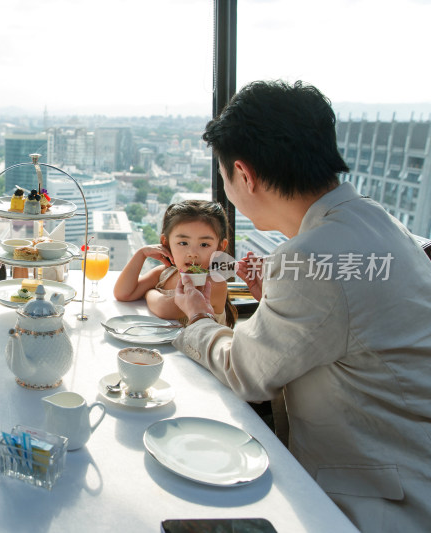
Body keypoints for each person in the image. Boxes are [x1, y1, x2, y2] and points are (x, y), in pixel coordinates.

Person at [172, 80, 431, 532]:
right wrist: (272, 299)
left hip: (372, 502)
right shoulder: (373, 218)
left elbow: (246, 372)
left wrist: (196, 317)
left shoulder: (309, 257)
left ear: (244, 175)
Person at [113, 200, 236, 327]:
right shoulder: (165, 274)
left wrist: (147, 292)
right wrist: (141, 253)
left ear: (220, 247)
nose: (192, 253)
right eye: (183, 243)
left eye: (204, 245)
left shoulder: (214, 284)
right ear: (165, 243)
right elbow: (123, 293)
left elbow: (164, 308)